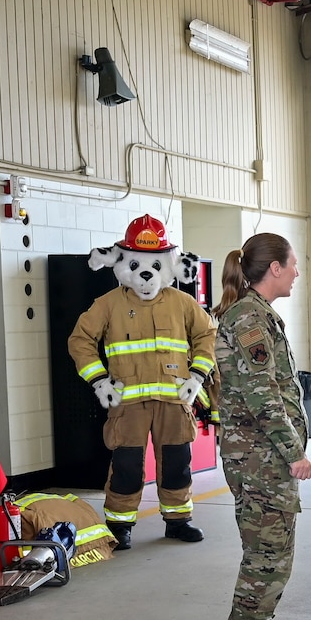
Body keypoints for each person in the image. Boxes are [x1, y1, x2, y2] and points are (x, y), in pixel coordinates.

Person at [67, 214, 218, 549]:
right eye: (136, 263)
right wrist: (99, 380)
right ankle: (120, 526)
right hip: (128, 404)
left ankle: (178, 521)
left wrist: (197, 375)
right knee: (127, 467)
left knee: (177, 464)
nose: (146, 274)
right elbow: (80, 341)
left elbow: (207, 334)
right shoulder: (107, 305)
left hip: (174, 402)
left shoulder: (182, 303)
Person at [214, 233, 311, 620]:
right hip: (260, 459)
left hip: (260, 457)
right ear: (273, 268)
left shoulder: (257, 314)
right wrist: (294, 453)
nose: (296, 272)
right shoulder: (250, 318)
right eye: (292, 264)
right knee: (267, 556)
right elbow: (261, 394)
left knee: (274, 553)